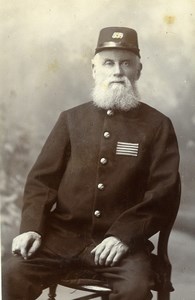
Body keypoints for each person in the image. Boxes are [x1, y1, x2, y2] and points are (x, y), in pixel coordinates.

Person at [3, 27, 180, 300]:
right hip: (59, 240)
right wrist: (31, 228)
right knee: (12, 273)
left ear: (138, 70)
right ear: (95, 69)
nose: (117, 71)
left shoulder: (157, 126)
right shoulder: (71, 120)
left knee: (134, 290)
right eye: (108, 63)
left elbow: (162, 194)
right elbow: (41, 181)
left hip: (122, 245)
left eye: (126, 63)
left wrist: (124, 236)